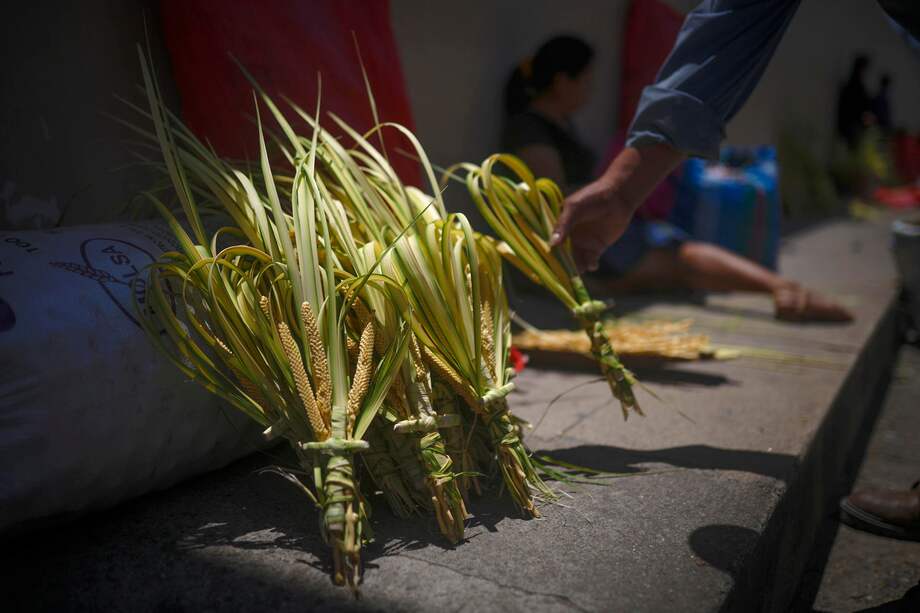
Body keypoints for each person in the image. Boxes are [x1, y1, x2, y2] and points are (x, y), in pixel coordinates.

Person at [550, 0, 920, 540]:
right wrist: (627, 186)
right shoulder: (537, 130)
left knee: (674, 255)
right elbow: (733, 19)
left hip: (632, 236)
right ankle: (780, 287)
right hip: (617, 240)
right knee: (671, 257)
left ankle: (780, 286)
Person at [503, 35, 852, 322]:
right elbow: (552, 202)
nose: (591, 90)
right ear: (563, 81)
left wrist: (624, 198)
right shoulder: (530, 130)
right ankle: (783, 288)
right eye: (587, 80)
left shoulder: (561, 126)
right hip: (578, 243)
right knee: (683, 261)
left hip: (598, 230)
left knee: (679, 250)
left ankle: (783, 287)